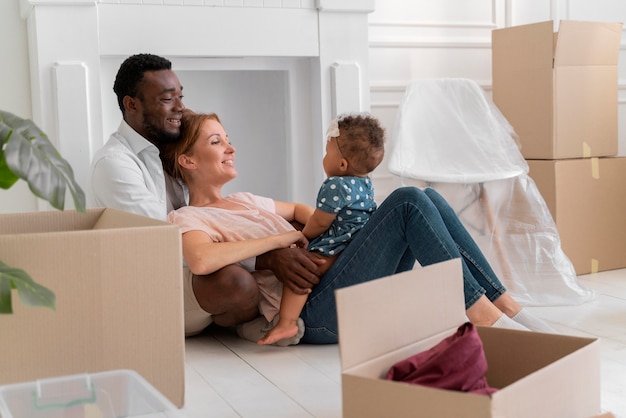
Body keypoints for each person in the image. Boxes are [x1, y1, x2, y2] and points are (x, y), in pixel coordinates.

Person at [162, 109, 555, 346]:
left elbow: (303, 211)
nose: (231, 147)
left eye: (228, 139)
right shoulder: (188, 217)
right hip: (314, 314)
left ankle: (506, 306)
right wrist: (283, 239)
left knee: (427, 199)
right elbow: (200, 259)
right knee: (408, 200)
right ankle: (485, 317)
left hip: (338, 283)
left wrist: (335, 223)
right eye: (217, 142)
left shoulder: (246, 200)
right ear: (188, 161)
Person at [89, 54, 261, 334]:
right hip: (150, 289)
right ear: (131, 104)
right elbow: (165, 246)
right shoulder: (115, 164)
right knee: (237, 283)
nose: (180, 107)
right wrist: (263, 256)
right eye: (168, 99)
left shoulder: (172, 148)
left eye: (180, 96)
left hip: (189, 270)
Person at [258, 114, 385, 345]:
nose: (324, 158)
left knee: (302, 272)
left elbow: (320, 222)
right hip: (357, 241)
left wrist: (302, 237)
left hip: (336, 243)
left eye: (328, 153)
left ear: (342, 164)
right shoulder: (365, 183)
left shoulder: (335, 184)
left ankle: (286, 323)